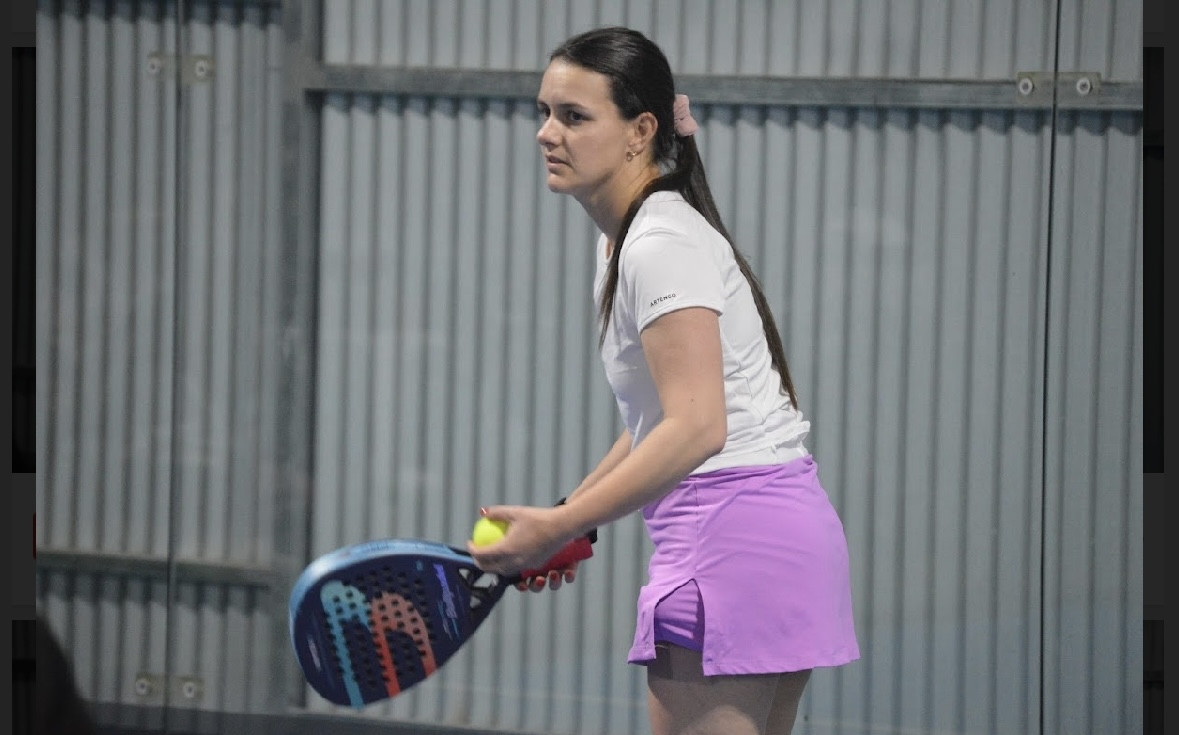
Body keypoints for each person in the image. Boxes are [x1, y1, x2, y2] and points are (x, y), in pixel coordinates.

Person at [468, 26, 859, 735]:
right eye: (544, 112)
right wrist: (573, 516)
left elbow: (697, 427)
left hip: (728, 541)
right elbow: (661, 416)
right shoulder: (631, 238)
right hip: (782, 531)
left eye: (574, 116)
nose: (547, 133)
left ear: (640, 131)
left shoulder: (658, 244)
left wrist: (558, 524)